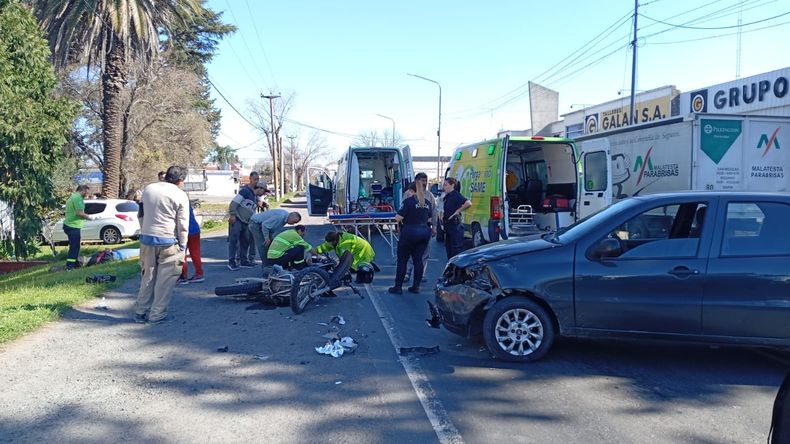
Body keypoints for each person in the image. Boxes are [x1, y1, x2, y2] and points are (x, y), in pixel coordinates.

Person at [133, 166, 189, 324]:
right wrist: (183, 247)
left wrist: (145, 230)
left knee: (147, 277)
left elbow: (141, 213)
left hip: (147, 240)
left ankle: (140, 311)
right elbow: (182, 224)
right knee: (165, 281)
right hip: (168, 241)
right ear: (180, 181)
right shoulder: (180, 195)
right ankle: (157, 314)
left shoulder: (149, 189)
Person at [389, 182, 433, 295]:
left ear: (411, 190)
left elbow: (398, 218)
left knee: (402, 259)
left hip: (409, 232)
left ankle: (398, 287)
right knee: (418, 259)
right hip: (424, 232)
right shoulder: (427, 203)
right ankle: (416, 286)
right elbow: (429, 218)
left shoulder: (408, 202)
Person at [401, 172, 437, 282]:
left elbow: (434, 211)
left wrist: (434, 226)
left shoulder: (429, 195)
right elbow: (403, 211)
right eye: (422, 181)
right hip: (410, 227)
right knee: (410, 252)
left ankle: (421, 275)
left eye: (426, 181)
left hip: (425, 228)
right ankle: (407, 273)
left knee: (425, 254)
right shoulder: (409, 194)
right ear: (417, 181)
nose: (425, 183)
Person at [227, 173, 264, 271]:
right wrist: (232, 214)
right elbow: (234, 203)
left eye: (257, 179)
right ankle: (231, 261)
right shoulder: (245, 191)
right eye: (254, 179)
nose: (256, 181)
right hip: (238, 219)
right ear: (250, 179)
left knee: (245, 241)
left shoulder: (254, 195)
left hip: (246, 222)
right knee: (234, 240)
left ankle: (244, 260)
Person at [63, 185, 96, 270]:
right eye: (87, 192)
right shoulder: (78, 198)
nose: (88, 194)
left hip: (69, 224)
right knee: (74, 247)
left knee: (74, 246)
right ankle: (70, 266)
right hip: (73, 225)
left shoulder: (73, 196)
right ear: (83, 190)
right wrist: (89, 217)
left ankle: (75, 263)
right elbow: (79, 213)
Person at [442, 177, 472, 259]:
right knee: (449, 249)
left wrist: (457, 211)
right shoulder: (447, 196)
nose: (444, 187)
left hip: (455, 226)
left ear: (452, 185)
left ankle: (457, 269)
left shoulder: (455, 195)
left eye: (446, 185)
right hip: (448, 226)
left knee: (456, 249)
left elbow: (468, 203)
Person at [177, 201, 204, 284]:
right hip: (194, 229)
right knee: (195, 253)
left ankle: (183, 276)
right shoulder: (185, 202)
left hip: (183, 230)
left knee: (181, 254)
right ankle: (199, 273)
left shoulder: (174, 202)